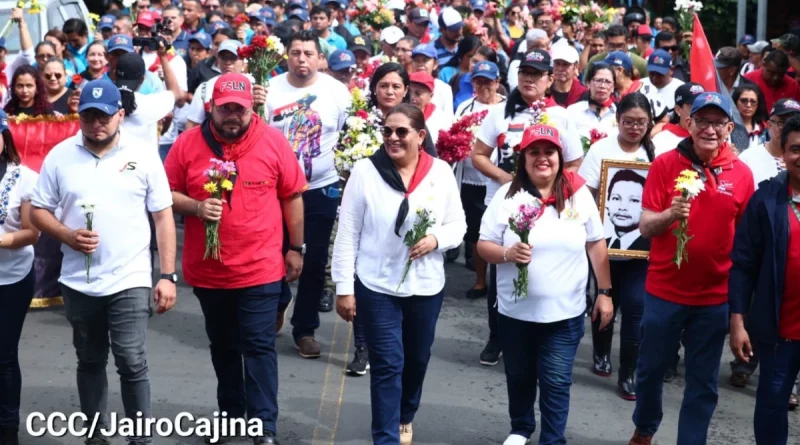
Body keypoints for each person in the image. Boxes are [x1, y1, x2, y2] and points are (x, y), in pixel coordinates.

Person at [30, 79, 177, 445]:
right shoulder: (61, 155)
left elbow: (162, 216)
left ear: (121, 115)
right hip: (79, 281)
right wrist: (67, 236)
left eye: (105, 116)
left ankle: (139, 438)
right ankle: (96, 437)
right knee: (90, 360)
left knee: (130, 359)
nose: (97, 123)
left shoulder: (143, 154)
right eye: (89, 116)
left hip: (130, 277)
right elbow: (38, 210)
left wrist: (168, 275)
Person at [165, 72, 304, 445]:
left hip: (260, 267)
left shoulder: (273, 141)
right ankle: (230, 417)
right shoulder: (187, 144)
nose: (233, 116)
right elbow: (164, 196)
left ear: (251, 109)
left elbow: (292, 195)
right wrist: (195, 206)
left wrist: (296, 248)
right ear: (210, 107)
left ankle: (264, 426)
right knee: (224, 347)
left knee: (259, 346)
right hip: (209, 272)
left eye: (240, 110)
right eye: (226, 108)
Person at [332, 103, 466, 445]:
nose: (392, 137)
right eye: (387, 131)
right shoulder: (365, 171)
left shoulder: (441, 172)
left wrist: (436, 239)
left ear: (420, 136)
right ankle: (386, 436)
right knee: (388, 363)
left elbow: (458, 225)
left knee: (417, 359)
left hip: (425, 286)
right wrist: (344, 288)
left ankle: (406, 414)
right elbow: (347, 232)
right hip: (376, 284)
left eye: (401, 131)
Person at [628, 92, 755, 445]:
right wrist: (671, 214)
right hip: (664, 291)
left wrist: (740, 312)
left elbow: (745, 247)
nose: (709, 129)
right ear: (689, 123)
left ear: (730, 128)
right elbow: (645, 226)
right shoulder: (666, 164)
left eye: (718, 123)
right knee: (651, 369)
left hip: (714, 297)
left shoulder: (742, 174)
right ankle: (645, 426)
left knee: (702, 381)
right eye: (702, 121)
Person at [478, 124, 613, 445]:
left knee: (555, 381)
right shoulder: (507, 195)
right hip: (514, 314)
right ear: (522, 159)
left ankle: (552, 439)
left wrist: (605, 293)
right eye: (534, 152)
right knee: (519, 377)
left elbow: (596, 243)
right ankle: (521, 428)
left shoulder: (578, 194)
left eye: (549, 152)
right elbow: (484, 245)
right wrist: (508, 253)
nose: (542, 158)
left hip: (563, 315)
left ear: (559, 157)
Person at [472, 49, 584, 367]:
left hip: (550, 207)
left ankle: (542, 330)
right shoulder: (499, 113)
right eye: (524, 73)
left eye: (536, 74)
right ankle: (497, 336)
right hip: (505, 205)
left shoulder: (562, 117)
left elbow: (574, 161)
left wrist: (550, 186)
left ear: (550, 79)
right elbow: (478, 154)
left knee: (539, 266)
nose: (529, 79)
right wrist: (510, 179)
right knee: (502, 269)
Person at [265, 30, 351, 359]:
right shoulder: (270, 90)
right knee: (273, 254)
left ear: (320, 58)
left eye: (309, 53)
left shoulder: (337, 92)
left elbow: (348, 133)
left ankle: (305, 329)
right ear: (287, 56)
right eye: (296, 52)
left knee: (314, 261)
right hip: (274, 192)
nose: (302, 59)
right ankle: (277, 302)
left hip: (320, 188)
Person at [579, 92, 656, 400]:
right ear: (618, 120)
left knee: (636, 307)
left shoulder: (656, 153)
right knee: (605, 298)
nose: (634, 128)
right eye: (628, 122)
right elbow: (585, 194)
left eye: (641, 122)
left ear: (649, 123)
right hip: (603, 244)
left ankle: (629, 373)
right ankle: (601, 353)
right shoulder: (601, 149)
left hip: (642, 249)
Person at [729, 114, 800, 445]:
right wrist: (738, 322)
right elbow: (743, 264)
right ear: (783, 154)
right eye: (796, 149)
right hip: (778, 332)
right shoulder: (766, 200)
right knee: (772, 407)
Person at [0, 110, 40, 445]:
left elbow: (31, 233)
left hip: (11, 277)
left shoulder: (24, 178)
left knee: (4, 355)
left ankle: (8, 427)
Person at [455, 60, 505, 300]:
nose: (484, 86)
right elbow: (453, 139)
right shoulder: (465, 107)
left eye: (489, 81)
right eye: (479, 81)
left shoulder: (508, 107)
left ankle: (501, 280)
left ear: (498, 82)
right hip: (473, 180)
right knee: (477, 232)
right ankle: (480, 280)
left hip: (503, 180)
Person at [653, 82, 705, 157]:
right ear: (678, 109)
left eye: (703, 106)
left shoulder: (714, 136)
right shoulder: (662, 139)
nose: (700, 111)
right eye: (693, 107)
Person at [566, 63, 617, 140]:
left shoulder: (619, 114)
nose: (602, 86)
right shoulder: (573, 111)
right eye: (598, 80)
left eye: (608, 82)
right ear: (588, 83)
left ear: (613, 87)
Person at [408, 72, 448, 145]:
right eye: (409, 92)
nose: (412, 97)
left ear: (431, 96)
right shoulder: (398, 113)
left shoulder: (440, 118)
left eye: (418, 93)